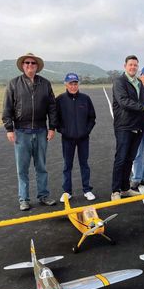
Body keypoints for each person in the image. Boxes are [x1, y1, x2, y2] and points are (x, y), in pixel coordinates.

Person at [2, 52, 58, 211]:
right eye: (27, 63)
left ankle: (43, 196)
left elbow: (52, 107)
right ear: (22, 65)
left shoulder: (45, 84)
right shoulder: (13, 84)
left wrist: (52, 127)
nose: (30, 65)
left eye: (33, 63)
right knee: (22, 168)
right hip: (21, 131)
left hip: (41, 131)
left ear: (37, 66)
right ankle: (24, 199)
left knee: (41, 166)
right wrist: (9, 128)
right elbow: (7, 108)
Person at [111, 55, 144, 200]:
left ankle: (125, 188)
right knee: (121, 158)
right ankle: (115, 190)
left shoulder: (139, 83)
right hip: (124, 126)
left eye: (135, 65)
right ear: (125, 66)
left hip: (137, 127)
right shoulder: (119, 82)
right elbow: (124, 102)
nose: (133, 67)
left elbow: (140, 104)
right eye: (130, 65)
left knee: (130, 158)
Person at [55, 72, 96, 202]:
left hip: (83, 138)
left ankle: (87, 190)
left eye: (75, 83)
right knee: (67, 165)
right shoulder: (60, 100)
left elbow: (92, 117)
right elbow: (56, 119)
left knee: (84, 164)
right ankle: (67, 191)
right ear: (66, 84)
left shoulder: (85, 98)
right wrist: (64, 131)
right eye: (70, 83)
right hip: (67, 139)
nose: (73, 86)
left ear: (78, 84)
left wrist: (86, 131)